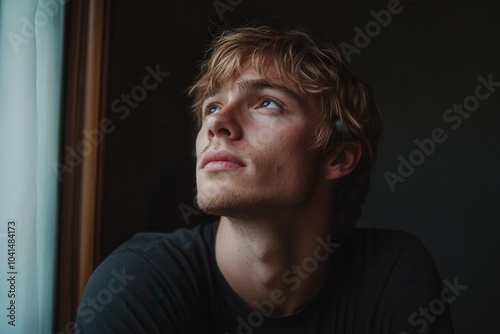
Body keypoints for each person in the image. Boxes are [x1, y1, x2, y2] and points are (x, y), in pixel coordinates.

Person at [75, 26, 454, 333]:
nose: (215, 122)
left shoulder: (393, 275)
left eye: (267, 103)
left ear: (337, 157)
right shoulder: (135, 282)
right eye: (211, 106)